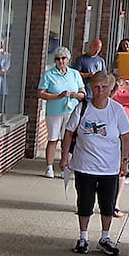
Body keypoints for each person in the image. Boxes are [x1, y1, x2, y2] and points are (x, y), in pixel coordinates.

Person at [60, 71, 129, 256]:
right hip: (85, 165)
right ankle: (83, 237)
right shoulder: (83, 108)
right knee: (85, 203)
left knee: (107, 204)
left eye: (104, 87)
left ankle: (105, 237)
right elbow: (69, 132)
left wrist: (125, 161)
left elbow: (126, 136)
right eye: (97, 87)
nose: (100, 91)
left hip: (109, 167)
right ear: (91, 88)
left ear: (110, 89)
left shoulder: (116, 110)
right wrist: (65, 155)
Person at [37, 47, 86, 178]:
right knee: (53, 138)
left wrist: (74, 94)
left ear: (68, 59)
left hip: (71, 111)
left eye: (63, 58)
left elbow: (83, 94)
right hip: (54, 111)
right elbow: (40, 93)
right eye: (57, 59)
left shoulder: (75, 74)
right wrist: (57, 96)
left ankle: (65, 167)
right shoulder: (48, 74)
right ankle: (49, 167)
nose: (60, 61)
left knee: (67, 140)